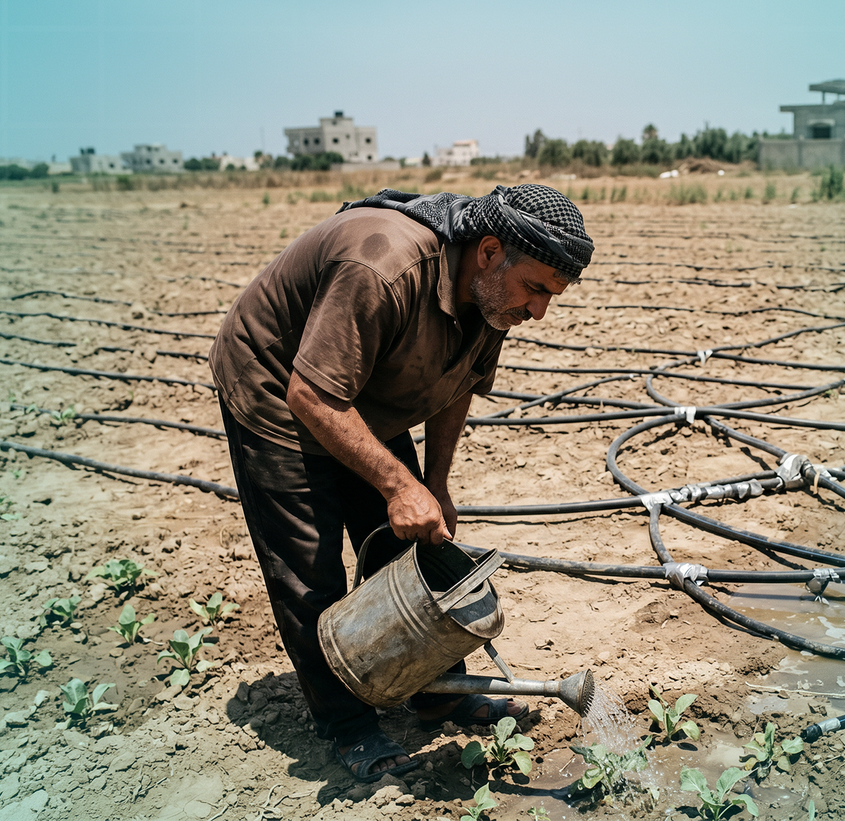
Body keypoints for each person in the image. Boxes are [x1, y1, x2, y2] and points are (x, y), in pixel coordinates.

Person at [209, 184, 592, 783]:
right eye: (536, 289)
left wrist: (432, 482)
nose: (539, 311)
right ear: (489, 252)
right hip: (279, 385)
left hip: (360, 393)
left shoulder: (491, 298)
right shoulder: (382, 268)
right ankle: (348, 724)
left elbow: (459, 382)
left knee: (415, 549)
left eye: (553, 295)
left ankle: (436, 694)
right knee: (310, 570)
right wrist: (396, 484)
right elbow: (311, 393)